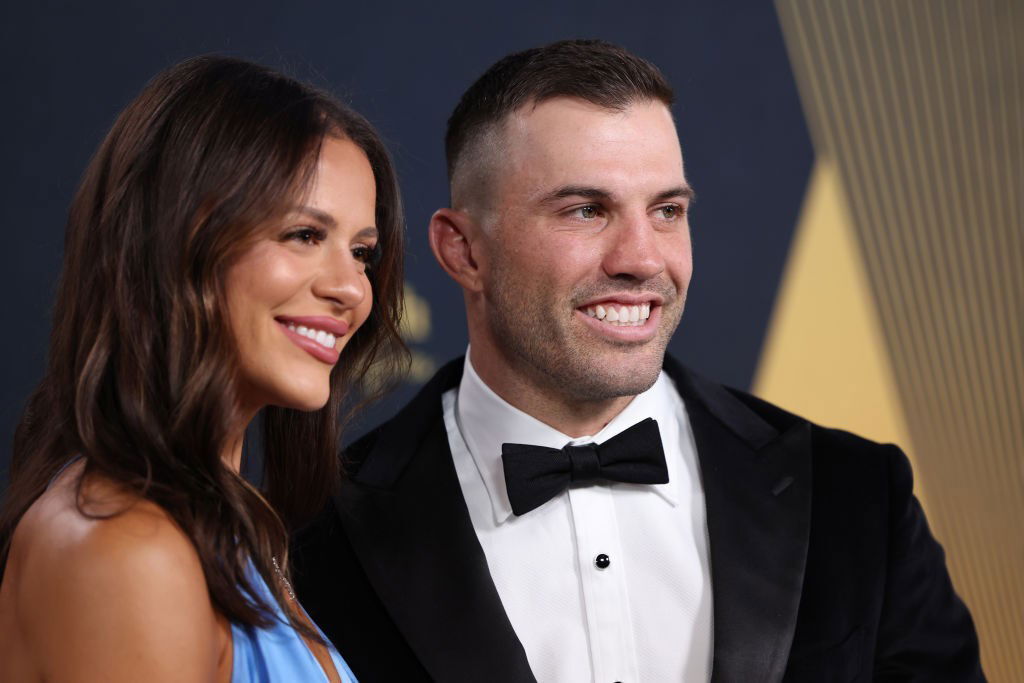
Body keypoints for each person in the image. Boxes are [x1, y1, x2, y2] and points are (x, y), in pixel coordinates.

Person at [292, 39, 985, 682]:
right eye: (586, 210)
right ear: (464, 251)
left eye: (667, 211)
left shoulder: (859, 497)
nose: (643, 258)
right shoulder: (310, 536)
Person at [0, 55, 406, 682]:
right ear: (180, 238)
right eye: (303, 234)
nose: (352, 288)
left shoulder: (227, 527)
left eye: (361, 252)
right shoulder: (126, 545)